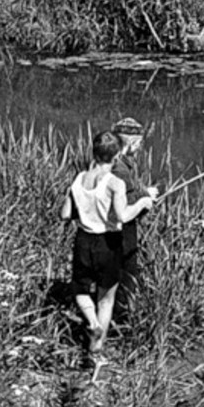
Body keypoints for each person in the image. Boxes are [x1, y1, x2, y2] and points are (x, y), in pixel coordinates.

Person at [60, 130, 156, 361]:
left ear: (94, 152)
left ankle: (91, 323)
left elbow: (64, 214)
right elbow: (123, 216)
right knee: (106, 299)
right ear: (116, 157)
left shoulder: (79, 178)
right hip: (108, 243)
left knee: (81, 291)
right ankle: (97, 348)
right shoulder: (115, 182)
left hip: (83, 241)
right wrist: (144, 201)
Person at [110, 117, 159, 322]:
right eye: (138, 144)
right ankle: (121, 320)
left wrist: (144, 191)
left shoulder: (113, 162)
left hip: (109, 229)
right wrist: (145, 199)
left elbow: (125, 192)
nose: (139, 148)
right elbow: (125, 202)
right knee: (126, 274)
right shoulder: (120, 169)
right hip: (122, 230)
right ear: (131, 143)